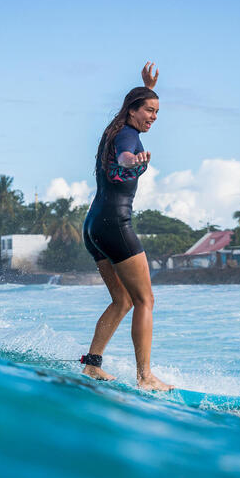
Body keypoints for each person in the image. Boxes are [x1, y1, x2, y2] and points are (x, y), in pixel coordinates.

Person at [81, 62, 173, 391]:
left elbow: (123, 146)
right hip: (114, 224)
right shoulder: (128, 138)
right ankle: (145, 377)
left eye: (157, 111)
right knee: (145, 300)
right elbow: (123, 160)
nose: (154, 116)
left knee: (122, 300)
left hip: (93, 226)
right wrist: (133, 162)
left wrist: (146, 86)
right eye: (149, 109)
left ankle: (92, 365)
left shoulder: (118, 129)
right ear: (133, 110)